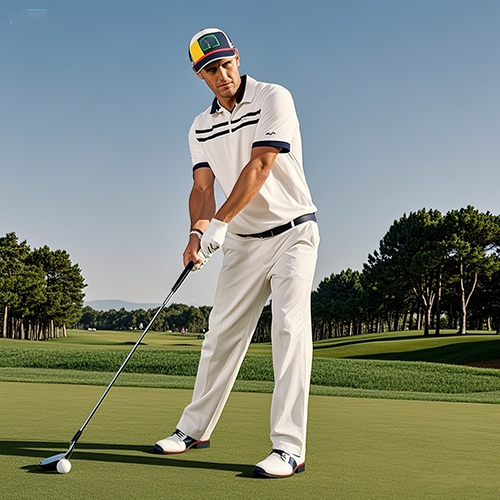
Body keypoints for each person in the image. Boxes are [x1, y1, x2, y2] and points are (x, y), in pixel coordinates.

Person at [154, 28, 320, 479]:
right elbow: (201, 188)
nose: (222, 74)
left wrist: (220, 224)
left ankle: (288, 448)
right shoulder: (199, 126)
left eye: (226, 63)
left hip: (293, 233)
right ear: (199, 76)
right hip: (243, 243)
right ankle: (194, 430)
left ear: (238, 58)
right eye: (211, 69)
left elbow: (260, 164)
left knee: (288, 330)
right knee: (220, 335)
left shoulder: (273, 97)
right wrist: (196, 233)